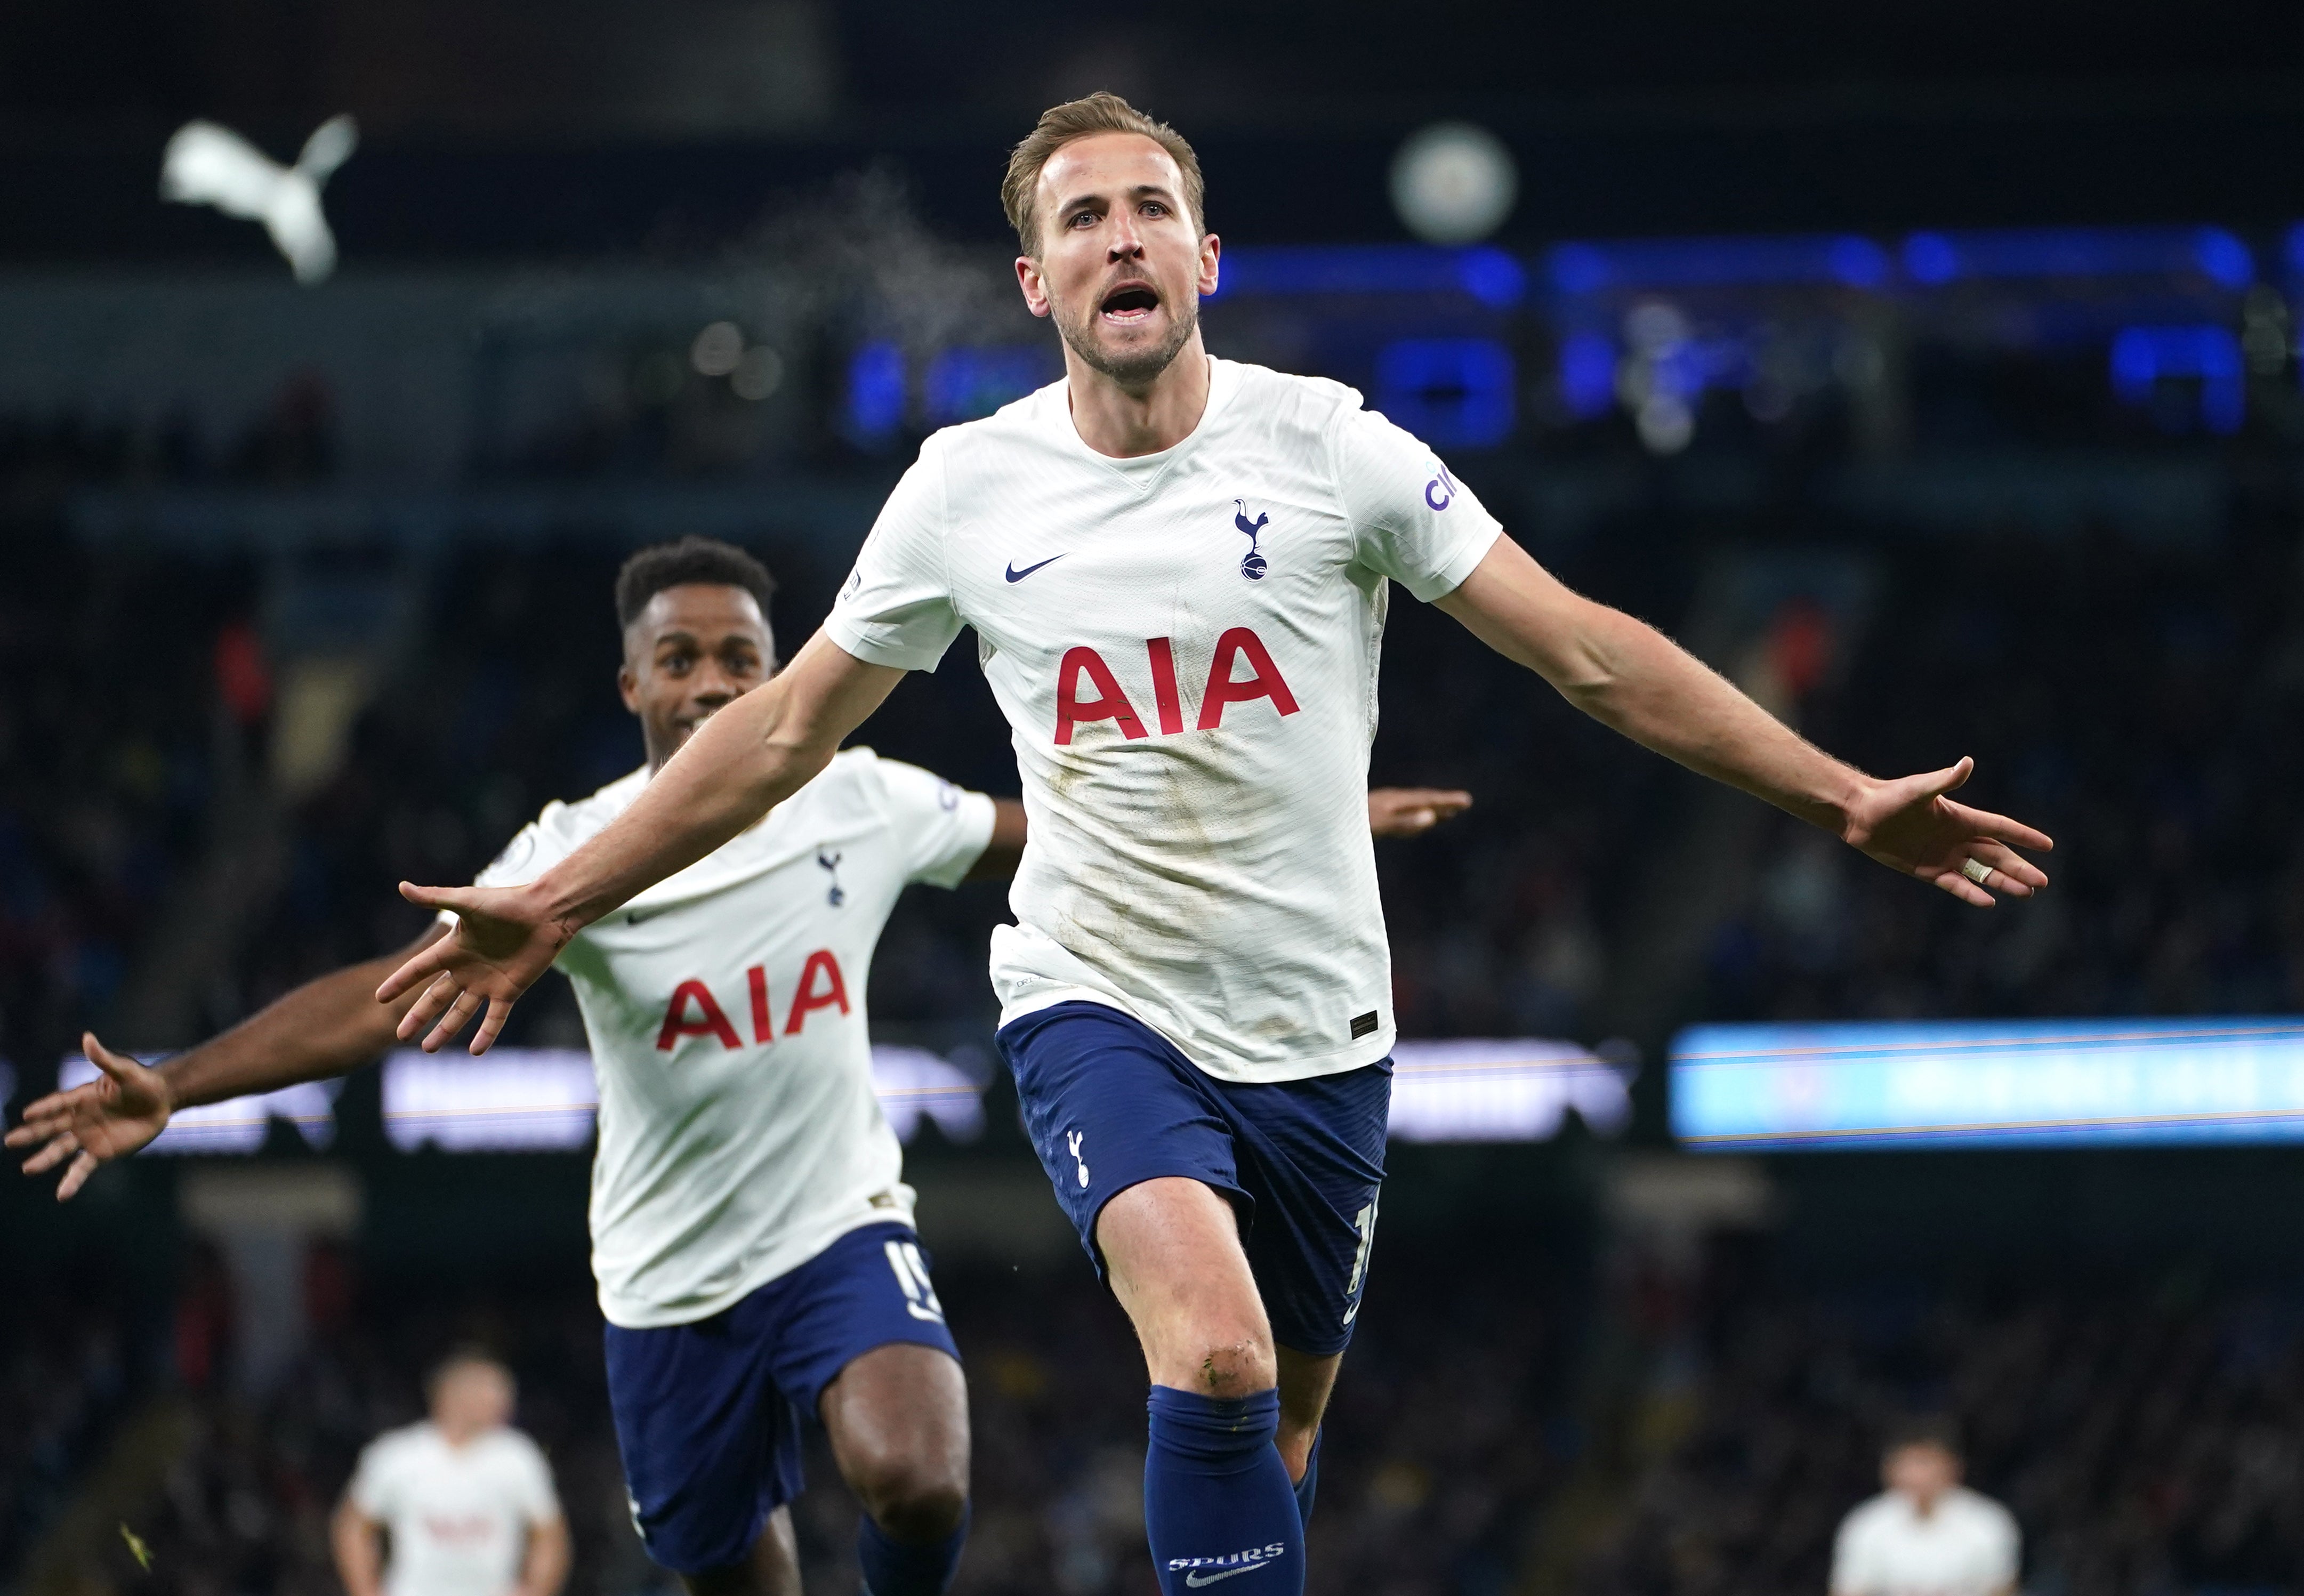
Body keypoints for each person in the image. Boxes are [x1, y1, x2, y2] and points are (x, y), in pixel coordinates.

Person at [369, 95, 2053, 1596]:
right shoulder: (967, 489)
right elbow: (787, 730)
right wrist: (556, 895)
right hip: (1098, 999)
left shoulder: (1333, 449)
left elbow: (1590, 650)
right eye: (1081, 218)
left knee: (1278, 1442)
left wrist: (1839, 795)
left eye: (1148, 209)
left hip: (1322, 1027)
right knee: (1224, 1355)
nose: (1120, 237)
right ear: (1035, 284)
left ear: (1205, 256)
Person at [9, 536, 1469, 1596]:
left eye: (741, 659)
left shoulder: (861, 798)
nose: (713, 683)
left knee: (919, 1472)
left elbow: (1059, 829)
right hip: (667, 1285)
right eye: (681, 658)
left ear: (782, 677)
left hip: (842, 1229)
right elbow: (383, 1001)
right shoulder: (576, 857)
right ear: (631, 679)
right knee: (727, 1571)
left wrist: (1302, 807)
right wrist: (179, 1081)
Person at [333, 1350, 571, 1596]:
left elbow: (549, 1534)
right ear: (453, 1394)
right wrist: (365, 1590)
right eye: (492, 1390)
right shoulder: (397, 1456)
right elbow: (354, 1525)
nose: (504, 1400)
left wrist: (537, 1589)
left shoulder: (518, 1457)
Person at [1831, 1420, 2020, 1596]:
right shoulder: (1867, 1523)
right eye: (1907, 1463)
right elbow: (1850, 1590)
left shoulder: (1987, 1521)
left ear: (1953, 1467)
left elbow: (2001, 1590)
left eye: (1925, 1463)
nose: (1917, 1474)